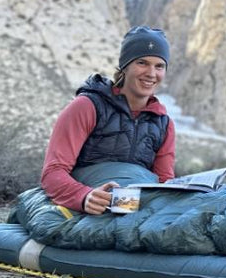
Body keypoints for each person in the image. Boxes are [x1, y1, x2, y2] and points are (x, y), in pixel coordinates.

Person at [40, 26, 177, 215]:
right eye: (142, 63)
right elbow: (53, 172)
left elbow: (164, 184)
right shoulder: (87, 106)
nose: (151, 73)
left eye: (159, 66)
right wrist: (84, 196)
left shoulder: (164, 124)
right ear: (125, 66)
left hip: (133, 209)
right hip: (91, 205)